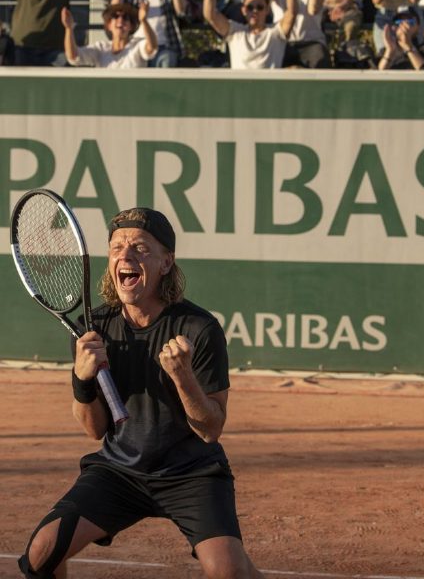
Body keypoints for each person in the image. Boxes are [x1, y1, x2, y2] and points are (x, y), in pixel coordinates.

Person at [17, 206, 265, 579]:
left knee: (229, 573)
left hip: (192, 473)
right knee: (42, 553)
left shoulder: (199, 328)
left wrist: (182, 376)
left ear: (166, 263)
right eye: (117, 247)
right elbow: (94, 429)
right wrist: (81, 379)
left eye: (140, 248)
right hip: (119, 471)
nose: (125, 256)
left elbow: (211, 429)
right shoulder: (94, 327)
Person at [203, 0, 296, 69]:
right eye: (250, 8)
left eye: (260, 7)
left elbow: (292, 12)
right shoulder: (235, 31)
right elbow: (210, 15)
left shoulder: (276, 32)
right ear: (243, 10)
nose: (254, 11)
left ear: (267, 10)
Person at [62, 1, 158, 68]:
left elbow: (152, 47)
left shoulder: (137, 44)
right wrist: (69, 28)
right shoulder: (101, 48)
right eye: (115, 17)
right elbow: (73, 57)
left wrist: (143, 20)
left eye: (125, 18)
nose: (120, 20)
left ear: (131, 26)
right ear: (108, 25)